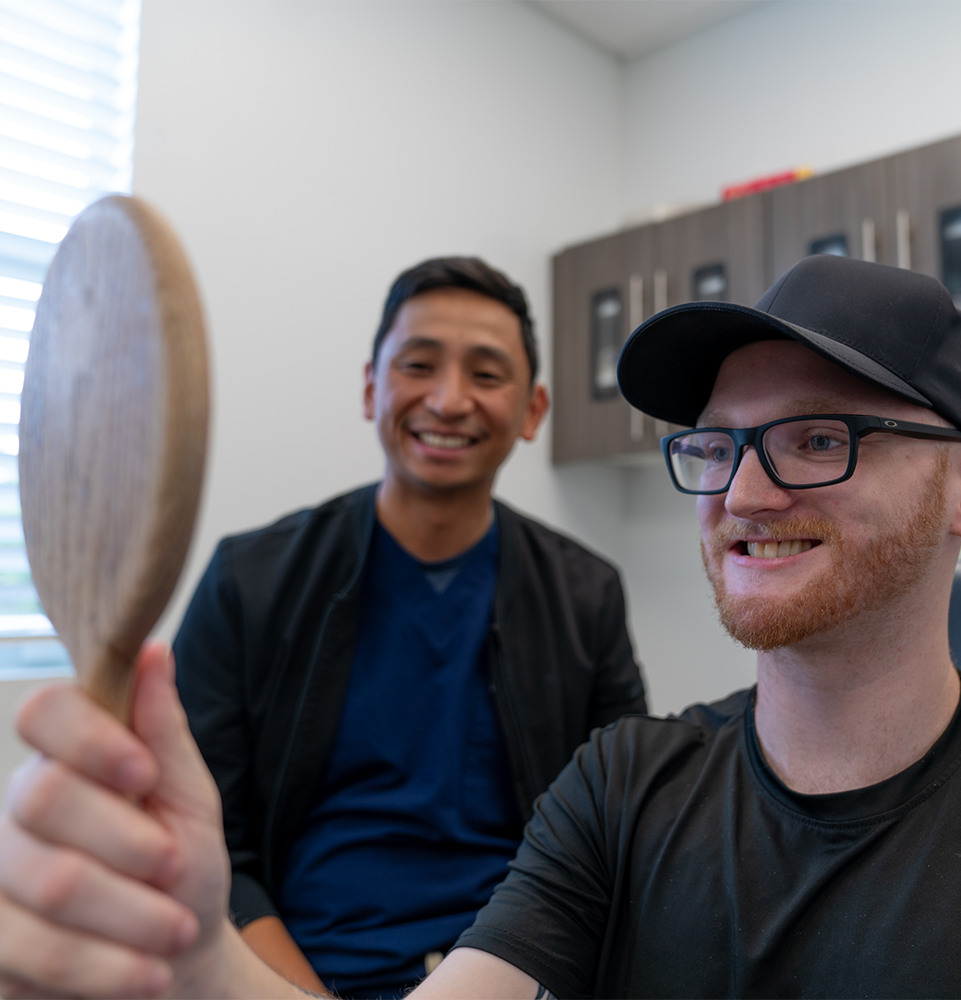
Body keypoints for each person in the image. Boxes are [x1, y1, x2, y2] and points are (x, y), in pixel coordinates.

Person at [5, 252, 961, 1000]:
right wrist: (198, 958)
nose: (743, 492)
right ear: (370, 387)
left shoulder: (580, 598)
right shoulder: (623, 789)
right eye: (716, 445)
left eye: (819, 438)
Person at [169, 256, 648, 998]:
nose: (449, 400)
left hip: (511, 971)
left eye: (486, 375)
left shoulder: (586, 595)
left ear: (532, 410)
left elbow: (614, 833)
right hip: (291, 977)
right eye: (418, 365)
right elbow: (206, 845)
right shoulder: (248, 582)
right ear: (371, 388)